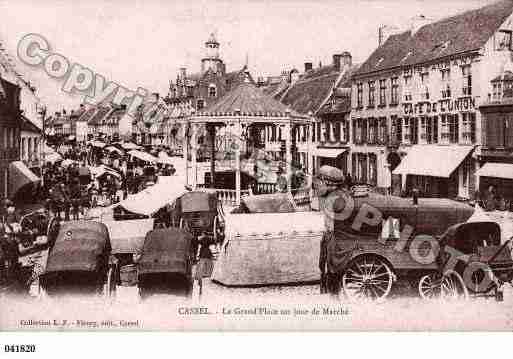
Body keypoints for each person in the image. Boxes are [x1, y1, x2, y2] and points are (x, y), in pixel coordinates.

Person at [194, 232, 213, 297]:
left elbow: (196, 241)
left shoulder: (202, 240)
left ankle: (200, 283)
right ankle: (205, 275)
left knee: (201, 267)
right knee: (206, 266)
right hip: (207, 254)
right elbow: (213, 240)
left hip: (203, 254)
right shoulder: (209, 239)